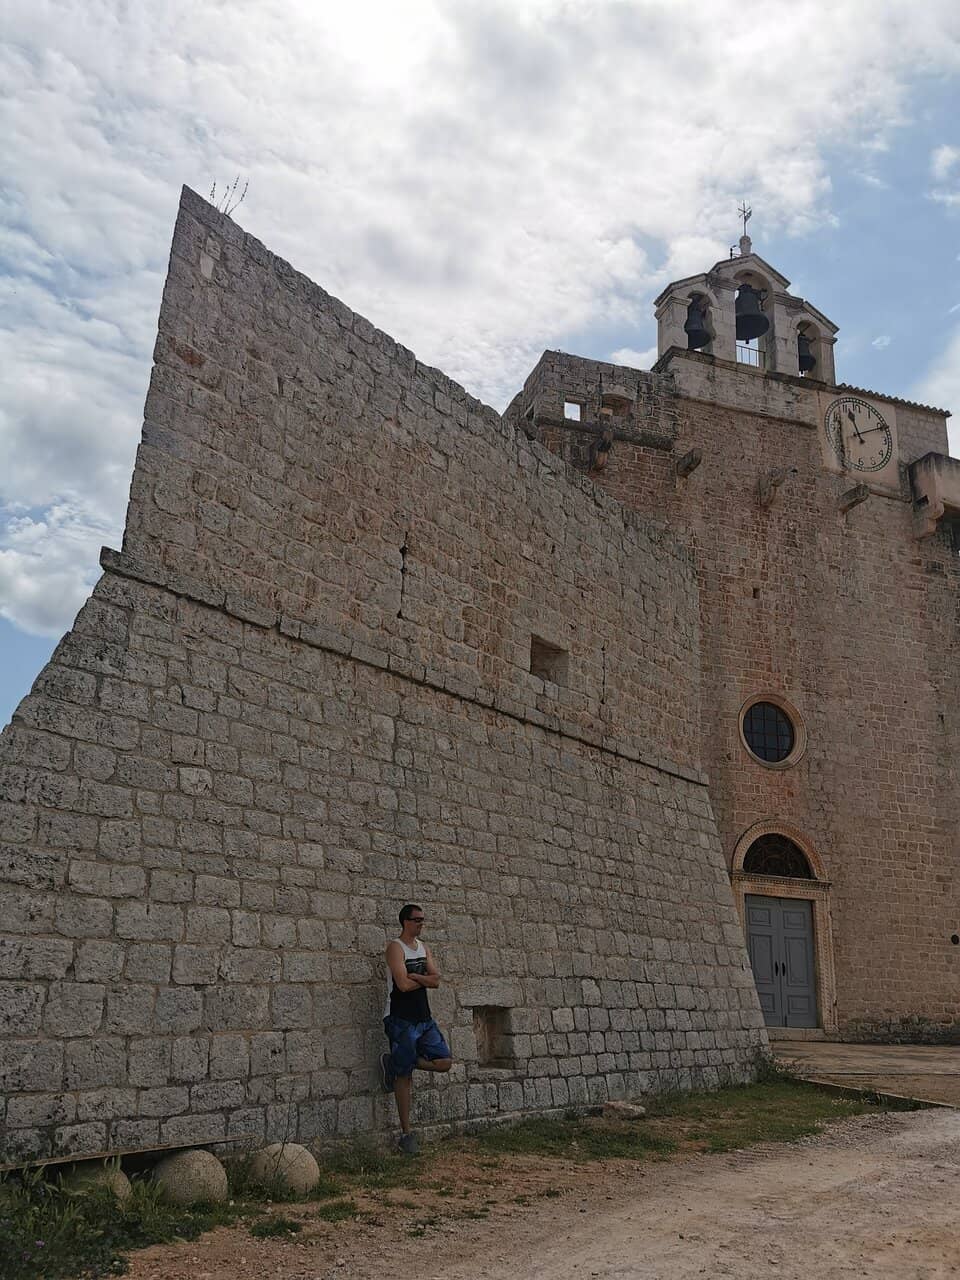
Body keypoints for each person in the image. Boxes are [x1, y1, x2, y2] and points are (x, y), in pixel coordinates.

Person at [379, 903, 452, 1154]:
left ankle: (396, 1062)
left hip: (424, 1018)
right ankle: (406, 1135)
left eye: (423, 919)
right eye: (417, 919)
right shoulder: (395, 949)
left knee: (444, 1061)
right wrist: (424, 979)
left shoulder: (423, 948)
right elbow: (402, 985)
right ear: (405, 922)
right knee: (404, 1077)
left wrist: (418, 977)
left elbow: (436, 980)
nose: (421, 923)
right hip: (400, 1019)